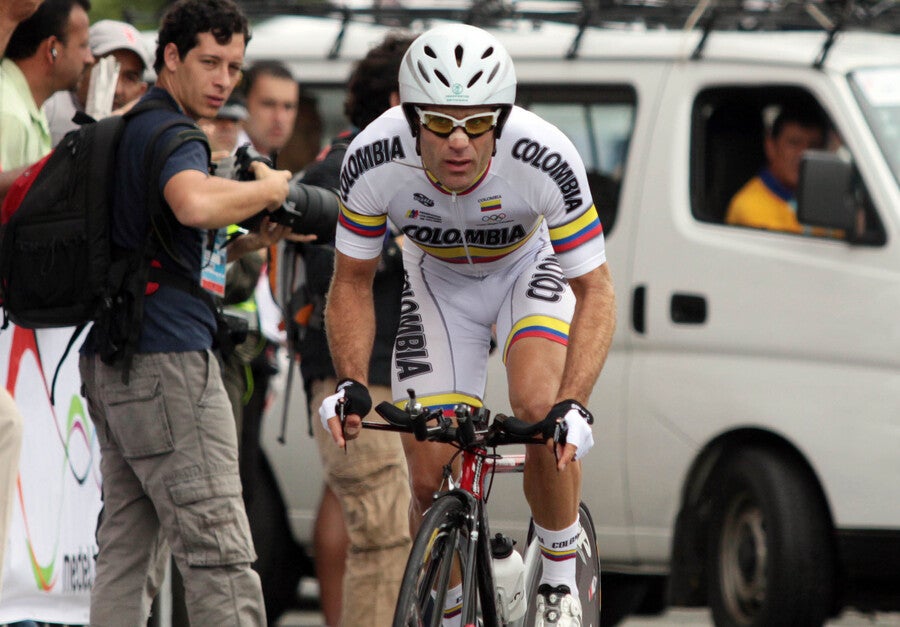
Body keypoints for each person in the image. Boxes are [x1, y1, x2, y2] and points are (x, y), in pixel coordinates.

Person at [318, 23, 616, 627]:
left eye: (478, 123)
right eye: (440, 122)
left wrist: (575, 402)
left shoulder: (544, 153)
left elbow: (596, 290)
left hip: (526, 270)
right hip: (438, 283)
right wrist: (349, 380)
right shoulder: (373, 157)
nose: (459, 141)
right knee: (426, 472)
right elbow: (349, 282)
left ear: (502, 121)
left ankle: (558, 572)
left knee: (537, 405)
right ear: (407, 116)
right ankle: (454, 607)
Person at [76, 0, 291, 624]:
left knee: (125, 548)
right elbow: (193, 203)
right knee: (220, 553)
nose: (224, 80)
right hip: (169, 362)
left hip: (114, 357)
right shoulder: (173, 132)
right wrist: (271, 189)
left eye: (234, 66)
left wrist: (250, 237)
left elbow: (164, 240)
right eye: (209, 62)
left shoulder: (126, 126)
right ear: (170, 57)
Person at [283, 32, 415, 627]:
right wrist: (395, 242)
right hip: (359, 379)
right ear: (396, 101)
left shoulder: (396, 169)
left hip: (398, 376)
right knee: (385, 536)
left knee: (381, 522)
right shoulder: (340, 168)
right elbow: (322, 271)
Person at [0, 0, 92, 198]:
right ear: (52, 48)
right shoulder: (9, 113)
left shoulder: (29, 105)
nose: (89, 58)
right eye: (83, 45)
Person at [725, 101, 832, 235]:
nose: (804, 154)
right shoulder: (750, 207)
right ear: (771, 147)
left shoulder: (827, 201)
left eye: (814, 145)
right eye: (794, 143)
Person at [44, 18, 152, 145]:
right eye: (107, 70)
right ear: (83, 66)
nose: (117, 89)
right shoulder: (47, 111)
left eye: (130, 77)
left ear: (141, 91)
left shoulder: (144, 137)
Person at [237, 60, 299, 160]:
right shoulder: (225, 159)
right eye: (268, 104)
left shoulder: (265, 158)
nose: (279, 118)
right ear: (244, 104)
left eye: (288, 106)